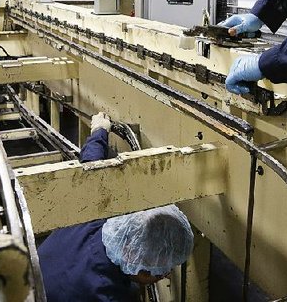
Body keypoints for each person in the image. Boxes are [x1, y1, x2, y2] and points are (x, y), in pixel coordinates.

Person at [39, 112, 195, 302]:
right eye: (159, 273)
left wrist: (99, 131)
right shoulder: (107, 295)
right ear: (135, 262)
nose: (167, 275)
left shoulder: (97, 214)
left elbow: (92, 169)